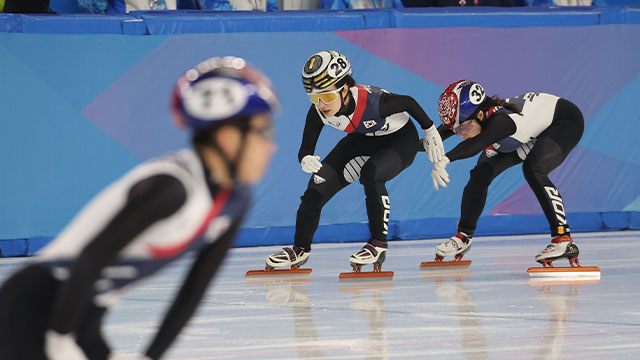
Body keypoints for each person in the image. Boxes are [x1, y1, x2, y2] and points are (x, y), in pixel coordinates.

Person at [0, 56, 278, 360]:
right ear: (227, 137)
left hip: (84, 317)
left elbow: (194, 288)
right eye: (263, 133)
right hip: (34, 309)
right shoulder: (171, 188)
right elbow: (91, 258)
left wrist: (151, 355)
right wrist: (60, 340)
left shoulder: (236, 199)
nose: (271, 146)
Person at [265, 50, 445, 272]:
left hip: (400, 140)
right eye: (314, 98)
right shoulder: (318, 111)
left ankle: (378, 244)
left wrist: (429, 129)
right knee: (315, 189)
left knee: (372, 173)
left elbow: (409, 102)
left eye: (328, 97)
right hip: (362, 139)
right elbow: (305, 147)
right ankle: (300, 249)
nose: (322, 104)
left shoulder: (375, 103)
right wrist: (305, 158)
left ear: (345, 89)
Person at [430, 80, 584, 267]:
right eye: (456, 131)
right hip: (530, 131)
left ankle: (563, 239)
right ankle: (463, 237)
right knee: (480, 174)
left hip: (563, 121)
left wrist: (445, 159)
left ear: (479, 114)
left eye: (463, 129)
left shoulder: (502, 123)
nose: (460, 134)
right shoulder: (474, 118)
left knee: (534, 168)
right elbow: (435, 137)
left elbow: (475, 144)